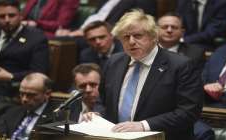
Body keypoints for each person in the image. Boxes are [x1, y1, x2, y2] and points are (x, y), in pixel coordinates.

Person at [84, 10, 203, 140]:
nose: (131, 42)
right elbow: (102, 99)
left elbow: (189, 111)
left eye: (138, 35)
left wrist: (144, 125)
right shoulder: (114, 61)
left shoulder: (180, 65)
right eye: (125, 37)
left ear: (154, 36)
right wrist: (97, 114)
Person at [0, 0, 49, 99]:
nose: (7, 20)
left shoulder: (36, 38)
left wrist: (11, 76)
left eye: (11, 15)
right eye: (2, 16)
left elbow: (39, 72)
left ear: (20, 15)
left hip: (12, 90)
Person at [0, 73, 54, 139]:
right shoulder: (11, 112)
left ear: (47, 94)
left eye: (31, 95)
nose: (24, 99)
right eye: (22, 94)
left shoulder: (57, 118)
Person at [55, 0, 157, 37]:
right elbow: (96, 16)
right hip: (85, 30)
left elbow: (138, 22)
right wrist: (73, 31)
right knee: (59, 36)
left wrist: (88, 31)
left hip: (109, 35)